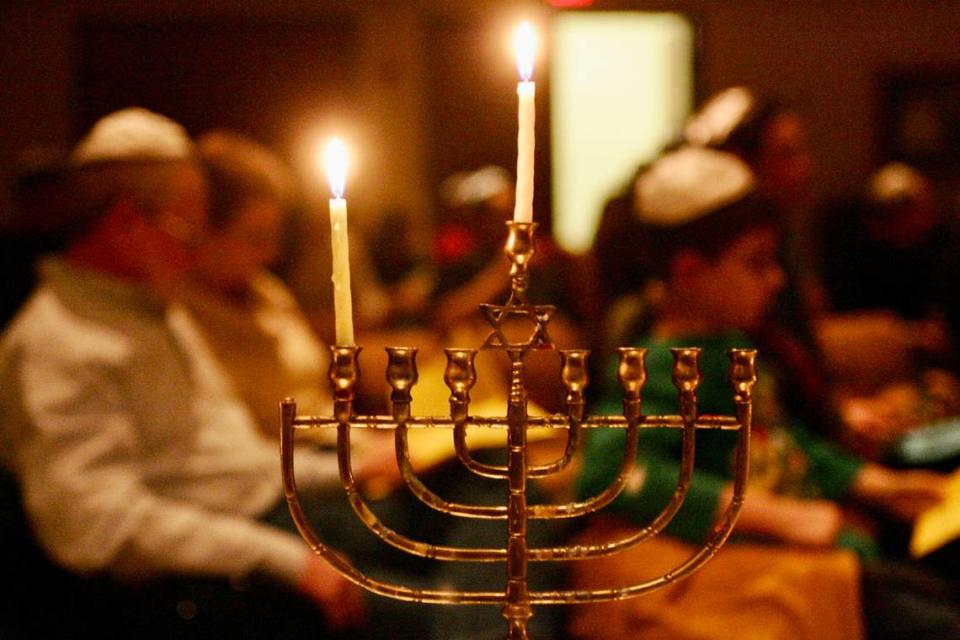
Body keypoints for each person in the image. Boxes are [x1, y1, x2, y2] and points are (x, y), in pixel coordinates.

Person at [0, 108, 368, 637]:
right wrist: (286, 559)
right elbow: (96, 527)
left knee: (494, 528)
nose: (195, 257)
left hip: (263, 517)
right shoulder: (55, 342)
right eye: (189, 236)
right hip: (211, 569)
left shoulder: (153, 311)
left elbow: (230, 459)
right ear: (126, 220)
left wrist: (349, 465)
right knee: (455, 605)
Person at [571, 146, 959, 640]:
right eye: (756, 264)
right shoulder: (659, 366)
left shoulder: (733, 344)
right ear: (689, 272)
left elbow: (779, 440)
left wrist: (876, 483)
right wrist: (783, 517)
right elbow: (611, 472)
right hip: (785, 571)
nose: (775, 280)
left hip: (835, 553)